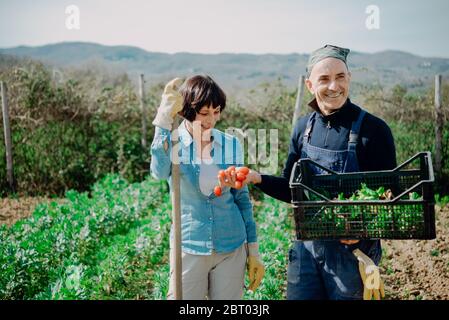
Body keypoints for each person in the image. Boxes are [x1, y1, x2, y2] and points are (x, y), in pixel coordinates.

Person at [219, 45, 396, 300]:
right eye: (324, 79)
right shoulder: (303, 128)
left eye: (340, 77)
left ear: (350, 78)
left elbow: (392, 198)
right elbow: (293, 191)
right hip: (306, 250)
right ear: (310, 85)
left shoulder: (374, 131)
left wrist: (363, 229)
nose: (334, 86)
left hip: (353, 254)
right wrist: (257, 178)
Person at [151, 75, 265, 300]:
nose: (211, 120)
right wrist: (163, 119)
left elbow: (242, 200)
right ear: (187, 110)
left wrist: (253, 250)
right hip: (189, 245)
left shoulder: (230, 143)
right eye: (204, 113)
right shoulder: (173, 142)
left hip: (231, 246)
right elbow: (158, 172)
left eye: (216, 111)